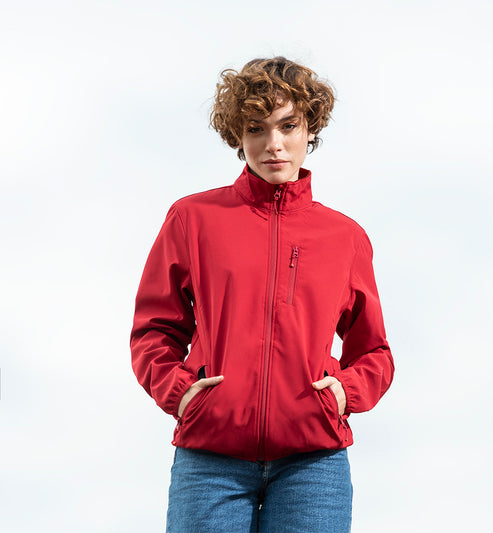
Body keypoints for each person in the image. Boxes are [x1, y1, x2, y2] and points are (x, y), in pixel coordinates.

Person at [130, 56, 394, 533]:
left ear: (310, 129)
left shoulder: (345, 238)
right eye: (256, 129)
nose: (274, 144)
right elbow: (154, 330)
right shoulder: (192, 220)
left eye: (288, 126)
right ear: (238, 135)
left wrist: (345, 393)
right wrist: (181, 393)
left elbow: (374, 351)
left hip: (313, 464)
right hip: (210, 460)